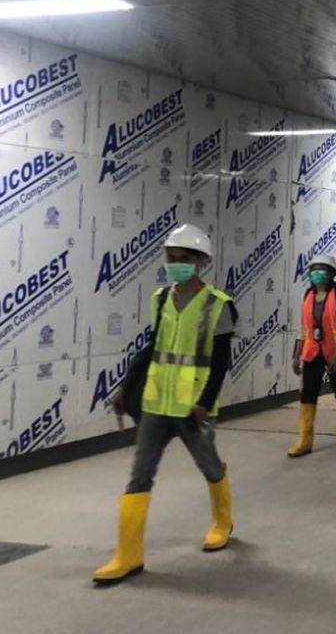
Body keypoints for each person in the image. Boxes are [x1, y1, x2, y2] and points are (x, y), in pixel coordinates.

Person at [94, 223, 238, 584]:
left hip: (193, 408)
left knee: (209, 465)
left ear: (201, 261)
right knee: (139, 475)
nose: (176, 263)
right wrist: (126, 388)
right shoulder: (161, 299)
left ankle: (222, 522)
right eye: (171, 257)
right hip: (157, 403)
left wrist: (205, 401)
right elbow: (151, 348)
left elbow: (221, 361)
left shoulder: (218, 305)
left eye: (184, 258)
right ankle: (128, 556)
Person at [286, 254, 336, 457]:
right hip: (313, 352)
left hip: (335, 353)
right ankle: (304, 439)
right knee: (308, 394)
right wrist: (296, 356)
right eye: (313, 269)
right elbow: (303, 329)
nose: (316, 273)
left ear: (331, 273)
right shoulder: (307, 296)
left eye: (321, 269)